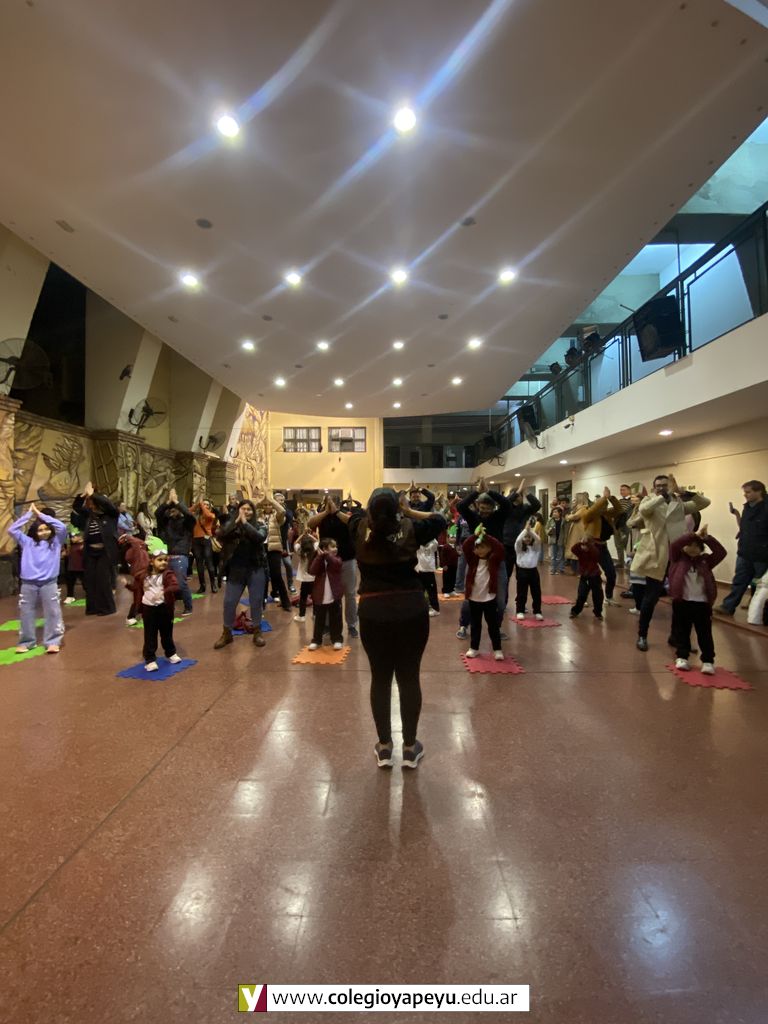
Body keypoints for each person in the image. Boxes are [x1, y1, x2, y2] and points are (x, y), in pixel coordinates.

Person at [348, 489, 445, 769]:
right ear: (398, 509)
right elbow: (439, 519)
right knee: (409, 677)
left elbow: (352, 516)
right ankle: (410, 748)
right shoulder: (411, 527)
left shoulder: (359, 528)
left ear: (370, 510)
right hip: (411, 610)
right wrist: (409, 510)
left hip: (373, 611)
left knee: (380, 679)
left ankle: (384, 747)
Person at [631, 473, 710, 651]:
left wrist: (686, 493)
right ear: (654, 488)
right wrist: (662, 497)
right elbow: (644, 510)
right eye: (658, 485)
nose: (661, 488)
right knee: (650, 598)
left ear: (670, 486)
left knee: (680, 600)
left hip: (677, 557)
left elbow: (704, 503)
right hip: (656, 556)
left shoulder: (678, 504)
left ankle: (677, 637)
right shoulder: (649, 501)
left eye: (665, 485)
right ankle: (642, 635)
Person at [9, 503, 67, 654]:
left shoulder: (55, 542)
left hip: (49, 583)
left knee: (53, 612)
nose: (44, 532)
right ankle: (27, 642)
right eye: (40, 530)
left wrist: (41, 515)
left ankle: (53, 641)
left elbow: (62, 527)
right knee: (26, 612)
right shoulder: (27, 542)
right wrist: (29, 515)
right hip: (28, 583)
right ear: (34, 532)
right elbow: (12, 530)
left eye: (46, 529)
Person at [668, 525, 725, 675]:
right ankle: (682, 657)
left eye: (696, 546)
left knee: (704, 632)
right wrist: (693, 535)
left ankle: (708, 660)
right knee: (682, 631)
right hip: (682, 601)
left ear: (701, 548)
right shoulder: (677, 558)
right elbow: (675, 545)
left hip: (702, 603)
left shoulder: (706, 561)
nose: (693, 549)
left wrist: (706, 538)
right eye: (689, 545)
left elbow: (721, 552)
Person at [213, 499, 269, 649]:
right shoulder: (232, 525)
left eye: (249, 509)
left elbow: (259, 537)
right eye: (243, 509)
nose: (246, 512)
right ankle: (227, 633)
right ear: (238, 510)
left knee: (256, 601)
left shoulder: (260, 525)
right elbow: (221, 535)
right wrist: (236, 523)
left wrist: (245, 523)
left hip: (256, 568)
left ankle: (257, 632)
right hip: (236, 569)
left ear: (253, 512)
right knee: (229, 602)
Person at [458, 479, 512, 632]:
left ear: (493, 508)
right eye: (482, 508)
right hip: (476, 562)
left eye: (488, 509)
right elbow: (461, 506)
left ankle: (497, 628)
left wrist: (489, 491)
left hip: (497, 561)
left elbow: (507, 505)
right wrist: (477, 492)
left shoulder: (498, 516)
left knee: (500, 600)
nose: (485, 512)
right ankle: (463, 625)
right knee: (469, 597)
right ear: (477, 506)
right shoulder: (473, 517)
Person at [307, 496, 359, 639]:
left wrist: (336, 511)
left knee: (349, 593)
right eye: (328, 503)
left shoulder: (345, 514)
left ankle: (352, 625)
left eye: (333, 503)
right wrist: (325, 512)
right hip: (328, 561)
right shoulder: (322, 516)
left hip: (347, 559)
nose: (330, 505)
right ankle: (328, 625)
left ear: (339, 504)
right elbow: (310, 523)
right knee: (328, 593)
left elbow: (351, 522)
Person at [716, 480, 768, 619]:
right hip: (745, 552)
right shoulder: (747, 507)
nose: (745, 495)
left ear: (759, 491)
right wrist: (737, 515)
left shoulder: (766, 508)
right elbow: (744, 527)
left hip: (762, 555)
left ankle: (757, 612)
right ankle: (728, 607)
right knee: (739, 580)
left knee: (759, 584)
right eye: (745, 492)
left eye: (748, 492)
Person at [71, 482, 119, 616]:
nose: (91, 505)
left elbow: (109, 505)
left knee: (103, 580)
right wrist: (83, 495)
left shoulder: (111, 515)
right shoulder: (89, 515)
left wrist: (94, 495)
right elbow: (76, 507)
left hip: (105, 552)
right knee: (90, 580)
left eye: (93, 502)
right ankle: (92, 608)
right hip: (90, 552)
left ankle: (107, 608)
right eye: (90, 503)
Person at [135, 547, 182, 672]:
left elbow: (175, 586)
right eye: (160, 560)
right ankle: (150, 659)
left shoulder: (168, 575)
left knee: (167, 633)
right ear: (151, 561)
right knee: (150, 634)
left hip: (164, 608)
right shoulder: (144, 576)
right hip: (148, 609)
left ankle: (171, 653)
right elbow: (137, 588)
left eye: (165, 560)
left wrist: (164, 592)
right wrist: (127, 585)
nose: (163, 562)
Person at [462, 526, 505, 661]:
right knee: (475, 625)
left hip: (489, 599)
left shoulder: (494, 560)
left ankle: (497, 649)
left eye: (482, 547)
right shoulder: (472, 560)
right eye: (477, 548)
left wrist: (486, 536)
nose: (479, 550)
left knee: (493, 625)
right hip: (474, 599)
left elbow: (500, 548)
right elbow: (465, 546)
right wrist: (475, 536)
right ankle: (474, 648)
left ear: (489, 548)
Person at [501, 479, 541, 581]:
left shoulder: (526, 508)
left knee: (522, 575)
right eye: (516, 495)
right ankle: (504, 591)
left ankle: (521, 592)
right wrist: (517, 491)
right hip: (508, 545)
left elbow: (537, 505)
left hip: (523, 545)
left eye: (519, 496)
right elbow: (505, 502)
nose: (518, 497)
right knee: (506, 574)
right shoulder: (506, 509)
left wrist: (526, 492)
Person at [308, 538, 344, 650]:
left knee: (336, 618)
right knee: (319, 619)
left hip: (334, 595)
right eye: (332, 547)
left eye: (336, 546)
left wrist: (326, 555)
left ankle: (337, 639)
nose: (335, 549)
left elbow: (337, 564)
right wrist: (320, 557)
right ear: (324, 549)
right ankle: (316, 640)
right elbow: (312, 570)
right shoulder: (318, 559)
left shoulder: (337, 558)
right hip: (320, 595)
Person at [261, 492, 292, 611]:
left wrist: (272, 500)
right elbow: (253, 506)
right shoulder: (258, 516)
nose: (268, 506)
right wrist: (263, 499)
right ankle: (262, 600)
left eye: (270, 505)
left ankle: (285, 602)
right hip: (261, 548)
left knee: (277, 574)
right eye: (265, 505)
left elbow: (283, 511)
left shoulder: (277, 516)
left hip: (274, 548)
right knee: (263, 575)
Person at [570, 534, 605, 620]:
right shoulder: (580, 551)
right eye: (583, 544)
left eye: (586, 544)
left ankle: (598, 612)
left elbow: (595, 554)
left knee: (598, 596)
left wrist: (588, 545)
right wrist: (580, 543)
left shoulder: (594, 550)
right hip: (584, 577)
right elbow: (573, 549)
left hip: (595, 576)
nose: (584, 547)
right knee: (581, 595)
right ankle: (575, 611)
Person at [514, 519, 543, 620]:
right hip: (522, 572)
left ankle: (537, 611)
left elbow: (538, 540)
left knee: (536, 592)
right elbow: (518, 540)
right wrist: (525, 530)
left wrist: (530, 531)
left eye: (529, 537)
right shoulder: (519, 548)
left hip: (533, 572)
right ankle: (520, 610)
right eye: (525, 537)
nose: (527, 539)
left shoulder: (535, 548)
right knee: (521, 593)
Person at [120, 533, 150, 626]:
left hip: (144, 574)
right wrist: (128, 537)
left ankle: (140, 615)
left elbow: (141, 543)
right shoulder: (133, 552)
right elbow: (138, 543)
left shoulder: (140, 549)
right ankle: (131, 617)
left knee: (143, 596)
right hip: (140, 575)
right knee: (139, 597)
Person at [190, 498, 218, 594]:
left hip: (206, 540)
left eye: (207, 504)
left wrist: (201, 504)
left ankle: (213, 584)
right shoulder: (197, 515)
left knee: (209, 563)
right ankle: (202, 586)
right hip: (196, 540)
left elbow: (207, 514)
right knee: (199, 563)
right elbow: (188, 511)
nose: (205, 505)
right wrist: (197, 505)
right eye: (204, 504)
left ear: (210, 507)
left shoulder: (211, 515)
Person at [293, 532, 318, 622]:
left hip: (305, 579)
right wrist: (310, 536)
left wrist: (302, 534)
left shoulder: (300, 551)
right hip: (314, 578)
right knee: (315, 597)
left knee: (303, 597)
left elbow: (295, 543)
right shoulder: (314, 549)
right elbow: (317, 541)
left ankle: (302, 616)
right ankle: (315, 614)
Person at [416, 537, 440, 616]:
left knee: (432, 590)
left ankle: (435, 608)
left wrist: (427, 542)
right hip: (419, 569)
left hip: (429, 570)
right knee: (420, 590)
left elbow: (435, 546)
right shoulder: (417, 540)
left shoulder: (433, 541)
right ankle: (420, 607)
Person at [63, 527, 85, 603]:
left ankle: (90, 594)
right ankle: (70, 596)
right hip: (71, 564)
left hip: (83, 565)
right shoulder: (70, 545)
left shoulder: (84, 544)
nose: (73, 538)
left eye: (75, 536)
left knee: (86, 582)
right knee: (70, 581)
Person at [546, 507, 566, 574]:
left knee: (561, 555)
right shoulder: (550, 520)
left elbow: (566, 530)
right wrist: (549, 531)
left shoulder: (563, 520)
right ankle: (553, 569)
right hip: (553, 539)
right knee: (553, 556)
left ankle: (561, 569)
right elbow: (546, 529)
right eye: (553, 512)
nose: (554, 513)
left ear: (559, 513)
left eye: (555, 512)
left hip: (561, 539)